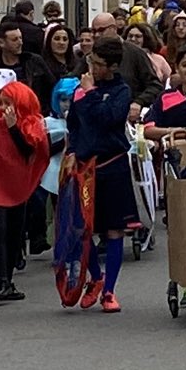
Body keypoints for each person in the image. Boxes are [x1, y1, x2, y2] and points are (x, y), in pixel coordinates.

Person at [60, 37, 136, 311]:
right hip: (85, 167)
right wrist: (71, 153)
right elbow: (76, 126)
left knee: (114, 230)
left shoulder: (121, 91)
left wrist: (91, 93)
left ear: (113, 66)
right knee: (83, 228)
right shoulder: (81, 91)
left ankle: (110, 291)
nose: (92, 67)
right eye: (92, 61)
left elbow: (108, 119)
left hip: (111, 164)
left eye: (99, 64)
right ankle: (96, 277)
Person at [0, 77, 49, 301]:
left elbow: (28, 152)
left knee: (14, 235)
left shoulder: (32, 124)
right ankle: (0, 281)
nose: (2, 108)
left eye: (8, 102)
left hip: (18, 187)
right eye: (0, 102)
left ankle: (7, 280)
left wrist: (13, 129)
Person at [87, 11, 162, 119]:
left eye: (101, 30)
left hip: (128, 115)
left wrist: (139, 102)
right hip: (97, 114)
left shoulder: (134, 53)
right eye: (93, 31)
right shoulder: (89, 55)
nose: (96, 35)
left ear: (113, 28)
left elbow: (155, 86)